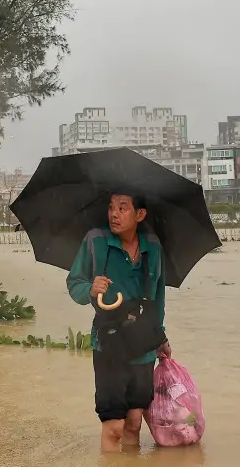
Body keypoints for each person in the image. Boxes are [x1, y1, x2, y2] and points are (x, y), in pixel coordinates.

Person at [67, 192, 171, 453]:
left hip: (142, 343)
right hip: (109, 342)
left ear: (140, 214)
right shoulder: (95, 240)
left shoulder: (153, 246)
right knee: (113, 426)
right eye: (111, 207)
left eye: (123, 208)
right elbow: (74, 282)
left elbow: (158, 296)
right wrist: (90, 288)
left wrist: (161, 337)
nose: (114, 214)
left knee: (134, 423)